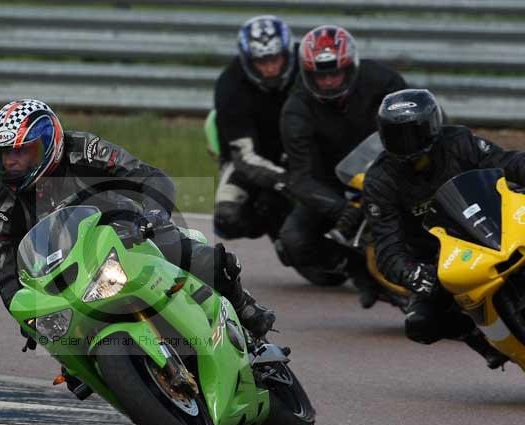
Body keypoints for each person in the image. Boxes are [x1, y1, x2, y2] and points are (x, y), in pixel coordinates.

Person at [0, 99, 277, 351]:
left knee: (193, 256)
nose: (13, 162)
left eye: (23, 152)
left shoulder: (83, 149)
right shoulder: (2, 203)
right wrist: (26, 315)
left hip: (128, 233)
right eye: (6, 154)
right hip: (69, 271)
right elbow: (8, 270)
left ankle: (243, 306)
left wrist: (153, 214)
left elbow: (148, 176)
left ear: (49, 143)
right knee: (65, 349)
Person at [363, 88, 525, 369]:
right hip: (438, 259)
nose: (406, 143)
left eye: (414, 132)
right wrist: (413, 274)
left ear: (432, 125)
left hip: (490, 225)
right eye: (396, 135)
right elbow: (386, 246)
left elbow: (504, 162)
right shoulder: (379, 180)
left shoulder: (459, 141)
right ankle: (479, 338)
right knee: (421, 324)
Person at [279, 25, 408, 308]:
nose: (327, 82)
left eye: (334, 73)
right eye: (320, 75)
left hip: (392, 169)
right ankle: (357, 268)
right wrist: (341, 209)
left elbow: (419, 116)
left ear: (351, 67)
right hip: (334, 185)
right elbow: (300, 178)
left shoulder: (382, 80)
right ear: (306, 73)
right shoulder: (296, 110)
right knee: (293, 240)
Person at [212, 15, 297, 241]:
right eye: (261, 61)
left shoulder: (307, 67)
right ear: (247, 60)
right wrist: (287, 181)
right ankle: (272, 223)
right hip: (251, 154)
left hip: (304, 147)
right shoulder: (230, 86)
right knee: (227, 219)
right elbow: (244, 157)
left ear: (287, 53)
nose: (270, 68)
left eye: (275, 59)